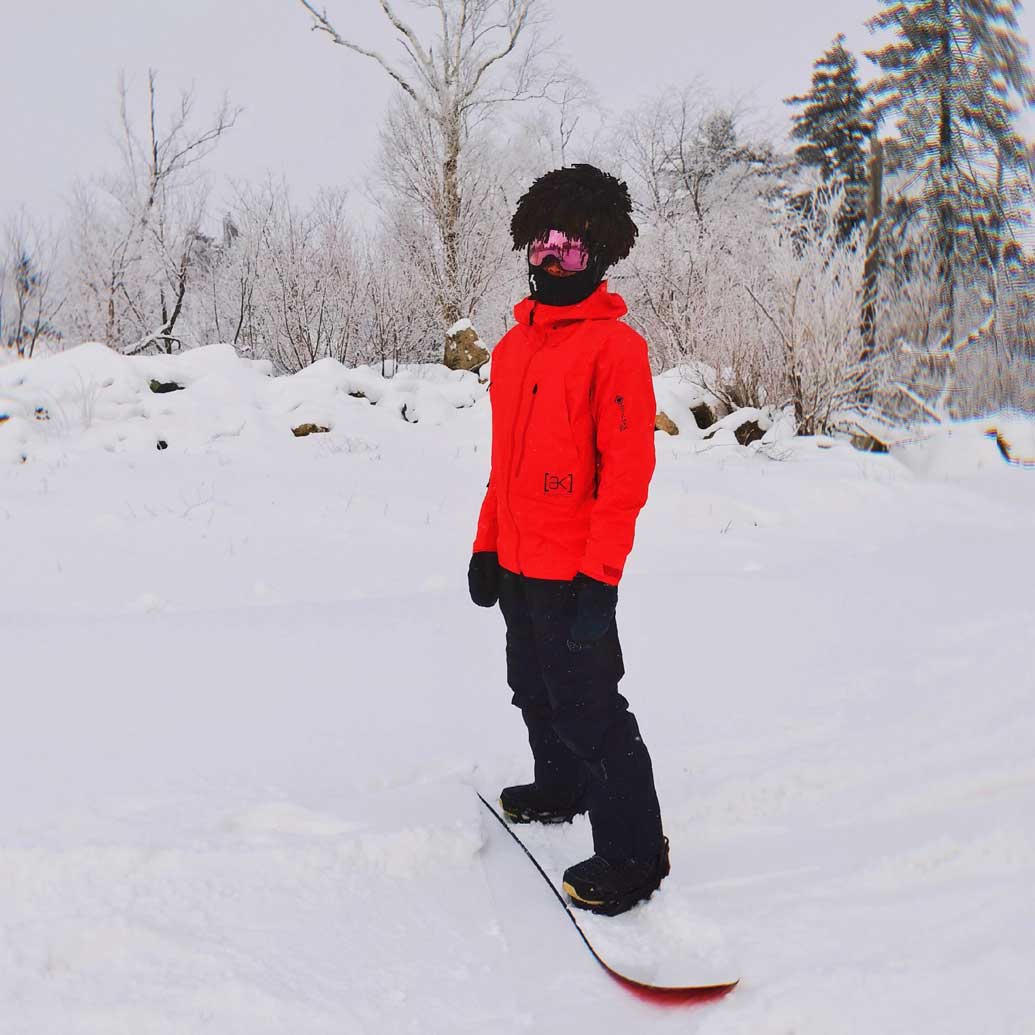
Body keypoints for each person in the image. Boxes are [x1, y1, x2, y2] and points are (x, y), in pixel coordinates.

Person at [467, 164, 667, 917]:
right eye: (543, 244)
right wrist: (486, 545)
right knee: (531, 687)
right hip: (518, 562)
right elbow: (503, 462)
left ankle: (634, 853)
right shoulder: (513, 349)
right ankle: (560, 786)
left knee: (589, 709)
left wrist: (601, 577)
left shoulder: (615, 350)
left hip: (575, 573)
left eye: (572, 249)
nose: (553, 259)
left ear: (601, 257)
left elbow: (626, 473)